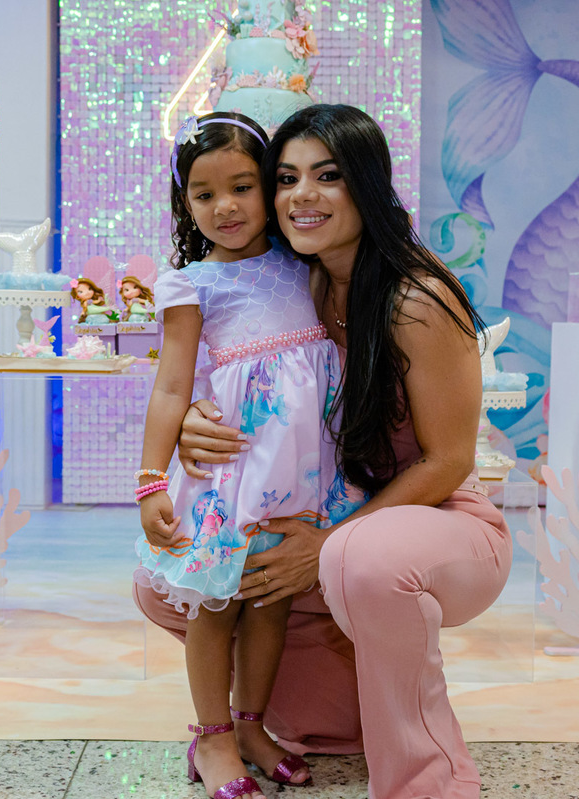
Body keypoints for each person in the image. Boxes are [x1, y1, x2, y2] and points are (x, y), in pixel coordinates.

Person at [134, 104, 513, 799]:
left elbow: (449, 460)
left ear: (366, 183)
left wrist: (327, 543)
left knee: (348, 564)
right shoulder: (301, 278)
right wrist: (187, 426)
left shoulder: (411, 296)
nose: (302, 195)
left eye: (328, 175)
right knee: (193, 584)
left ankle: (424, 780)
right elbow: (207, 373)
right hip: (310, 502)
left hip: (419, 517)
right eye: (287, 178)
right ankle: (239, 726)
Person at [134, 111, 342, 799]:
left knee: (270, 601)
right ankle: (213, 736)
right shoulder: (192, 284)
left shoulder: (306, 263)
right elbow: (172, 385)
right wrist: (150, 481)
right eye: (204, 194)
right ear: (185, 203)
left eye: (242, 187)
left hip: (300, 473)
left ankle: (253, 727)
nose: (224, 206)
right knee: (217, 605)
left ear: (269, 187)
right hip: (230, 473)